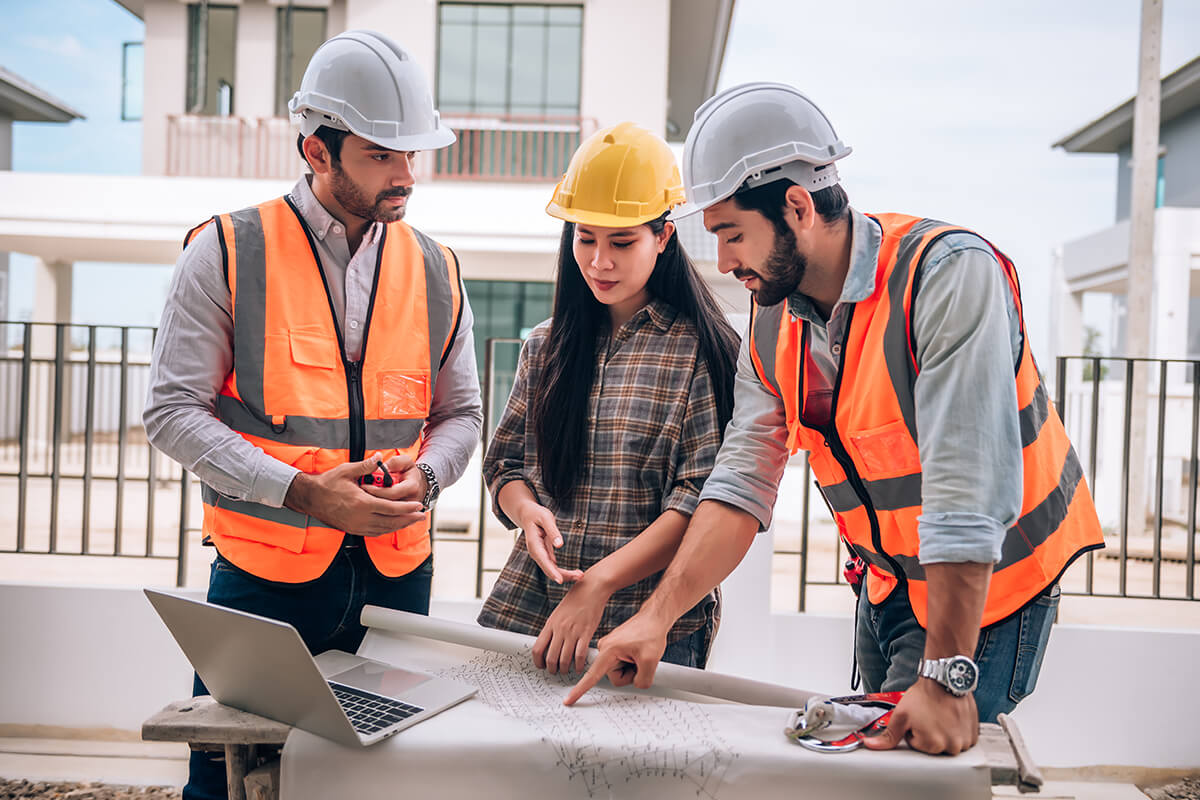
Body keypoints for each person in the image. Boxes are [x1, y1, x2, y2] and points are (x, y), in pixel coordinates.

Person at [565, 83, 1104, 756]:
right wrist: (655, 618)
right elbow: (738, 485)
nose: (726, 263)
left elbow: (965, 494)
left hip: (989, 589)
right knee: (868, 764)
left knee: (922, 767)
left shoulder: (946, 276)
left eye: (734, 235)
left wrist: (944, 677)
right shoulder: (772, 316)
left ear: (797, 206)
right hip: (886, 588)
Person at [143, 31, 482, 799]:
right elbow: (170, 411)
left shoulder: (436, 267)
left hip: (399, 580)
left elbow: (463, 414)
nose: (405, 175)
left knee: (376, 783)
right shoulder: (227, 249)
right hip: (264, 582)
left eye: (411, 154)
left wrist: (426, 478)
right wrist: (305, 493)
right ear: (317, 151)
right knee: (227, 780)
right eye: (380, 154)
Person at [476, 122, 740, 674]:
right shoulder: (546, 345)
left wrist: (598, 584)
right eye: (584, 238)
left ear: (664, 237)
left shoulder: (702, 353)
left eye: (622, 242)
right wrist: (527, 514)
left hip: (647, 623)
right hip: (534, 608)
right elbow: (505, 464)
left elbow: (697, 502)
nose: (599, 262)